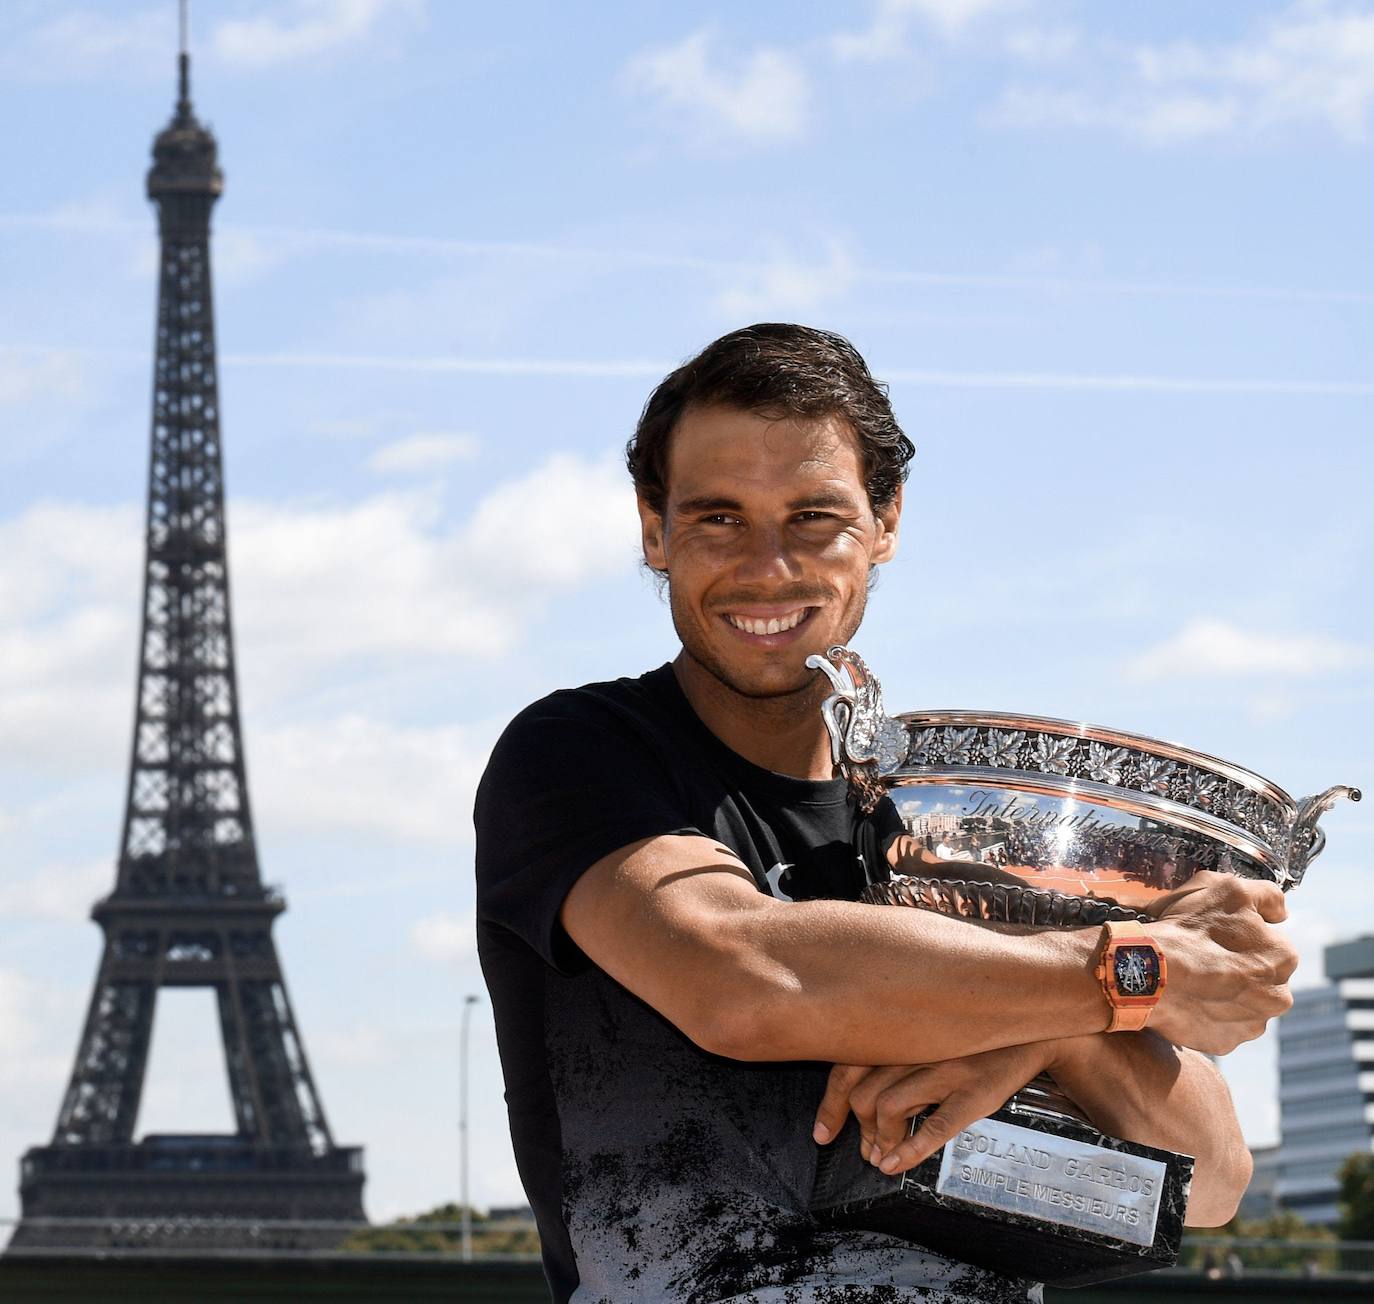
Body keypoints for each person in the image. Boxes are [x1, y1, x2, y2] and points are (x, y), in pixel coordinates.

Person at [474, 324, 1296, 1303]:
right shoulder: (579, 752)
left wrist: (1063, 1028)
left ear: (888, 520)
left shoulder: (944, 827)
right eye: (718, 518)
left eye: (815, 517)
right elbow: (743, 976)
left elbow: (1215, 1178)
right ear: (652, 528)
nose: (769, 566)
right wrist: (1130, 967)